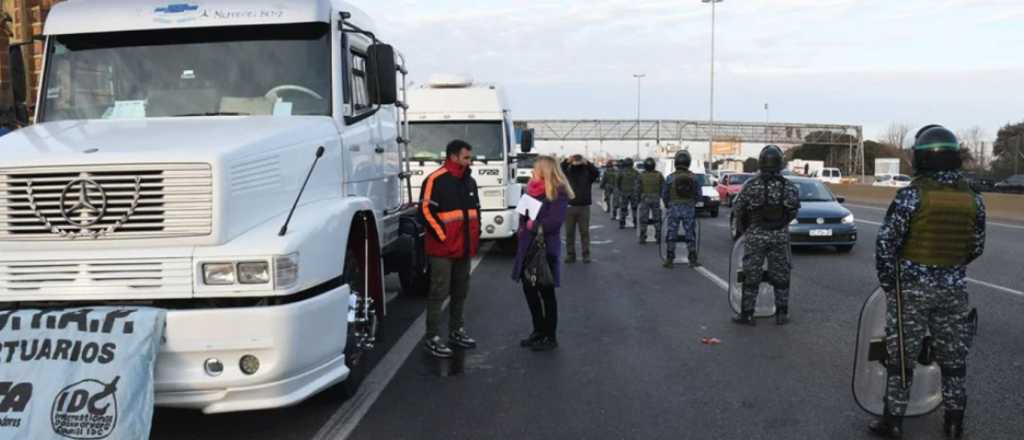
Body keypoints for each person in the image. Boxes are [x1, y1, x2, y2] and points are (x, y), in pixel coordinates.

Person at [868, 125, 985, 439]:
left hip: (911, 291)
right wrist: (950, 270)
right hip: (953, 290)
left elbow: (886, 245)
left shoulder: (912, 195)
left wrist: (891, 284)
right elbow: (976, 247)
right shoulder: (973, 198)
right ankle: (954, 422)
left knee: (901, 358)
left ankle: (893, 422)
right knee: (953, 358)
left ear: (921, 158)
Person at [419, 140, 482, 358]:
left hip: (464, 248)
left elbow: (476, 211)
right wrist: (442, 236)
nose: (470, 161)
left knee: (460, 291)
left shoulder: (470, 181)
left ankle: (456, 331)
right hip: (442, 250)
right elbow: (425, 210)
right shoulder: (435, 179)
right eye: (466, 157)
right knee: (438, 292)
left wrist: (476, 236)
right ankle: (432, 337)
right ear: (453, 157)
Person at [731, 145, 800, 326]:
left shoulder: (751, 185)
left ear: (761, 162)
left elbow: (738, 208)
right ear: (780, 163)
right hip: (779, 236)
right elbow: (793, 211)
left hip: (756, 235)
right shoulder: (789, 186)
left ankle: (747, 315)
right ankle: (781, 314)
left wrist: (747, 228)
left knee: (751, 275)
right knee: (781, 275)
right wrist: (780, 224)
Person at [512, 156, 573, 351]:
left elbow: (554, 222)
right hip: (527, 248)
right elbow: (523, 215)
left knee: (546, 292)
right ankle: (538, 331)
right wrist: (522, 225)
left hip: (544, 248)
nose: (532, 171)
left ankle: (550, 336)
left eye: (535, 168)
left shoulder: (558, 191)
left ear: (544, 170)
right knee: (529, 291)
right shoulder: (530, 189)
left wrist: (533, 225)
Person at [661, 151, 701, 267]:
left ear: (676, 162)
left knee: (672, 234)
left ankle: (669, 260)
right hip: (689, 209)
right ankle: (692, 260)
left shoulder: (670, 178)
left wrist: (669, 205)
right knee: (690, 234)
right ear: (688, 162)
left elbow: (664, 195)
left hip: (674, 209)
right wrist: (692, 204)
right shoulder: (694, 177)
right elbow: (698, 195)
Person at [561, 154, 600, 264]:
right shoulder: (568, 173)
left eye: (578, 160)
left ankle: (586, 254)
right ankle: (570, 255)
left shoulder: (587, 173)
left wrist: (587, 162)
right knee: (569, 233)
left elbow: (596, 173)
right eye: (576, 160)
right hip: (569, 206)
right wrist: (567, 161)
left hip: (583, 206)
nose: (577, 162)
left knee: (584, 232)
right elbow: (559, 170)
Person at [635, 157, 665, 244]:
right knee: (657, 218)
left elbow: (637, 189)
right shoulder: (659, 175)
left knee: (643, 219)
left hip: (645, 199)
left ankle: (643, 237)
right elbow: (664, 188)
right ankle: (658, 236)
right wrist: (662, 197)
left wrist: (637, 200)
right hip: (656, 198)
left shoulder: (641, 175)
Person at [615, 158, 639, 229]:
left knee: (623, 208)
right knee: (634, 208)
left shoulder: (621, 172)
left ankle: (622, 223)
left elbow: (617, 182)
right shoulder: (636, 172)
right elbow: (639, 182)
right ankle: (635, 223)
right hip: (633, 192)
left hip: (624, 192)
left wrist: (620, 189)